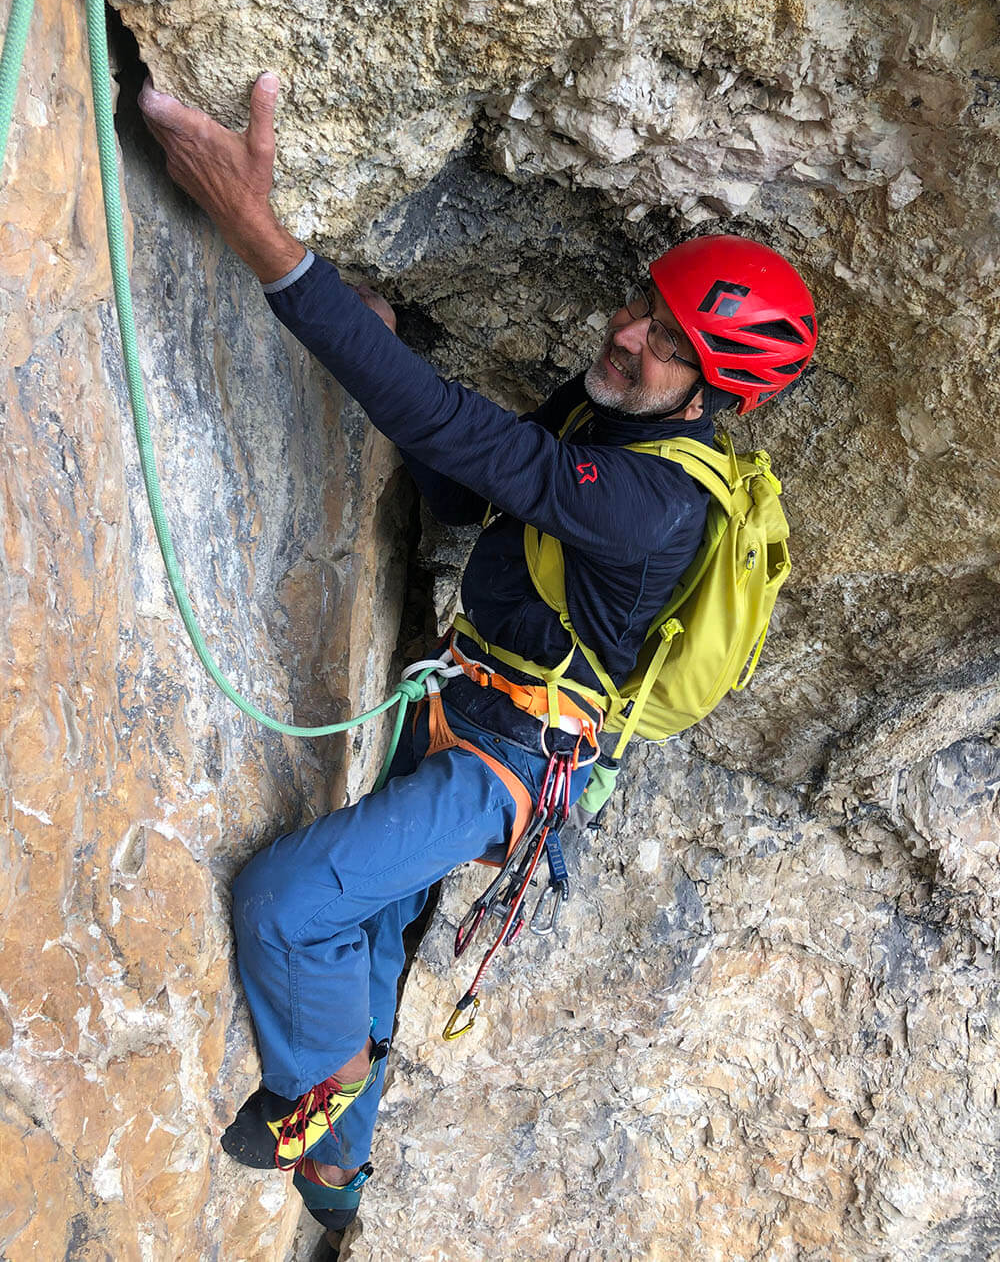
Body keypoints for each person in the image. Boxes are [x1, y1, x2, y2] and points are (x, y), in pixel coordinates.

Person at [138, 71, 817, 1233]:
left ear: (714, 391)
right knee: (364, 922)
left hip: (509, 758)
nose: (625, 333)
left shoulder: (654, 503)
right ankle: (340, 1184)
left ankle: (322, 1099)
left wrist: (262, 238)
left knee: (290, 902)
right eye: (641, 307)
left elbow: (462, 438)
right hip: (465, 705)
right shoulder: (607, 416)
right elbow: (463, 488)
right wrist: (386, 340)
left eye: (662, 341)